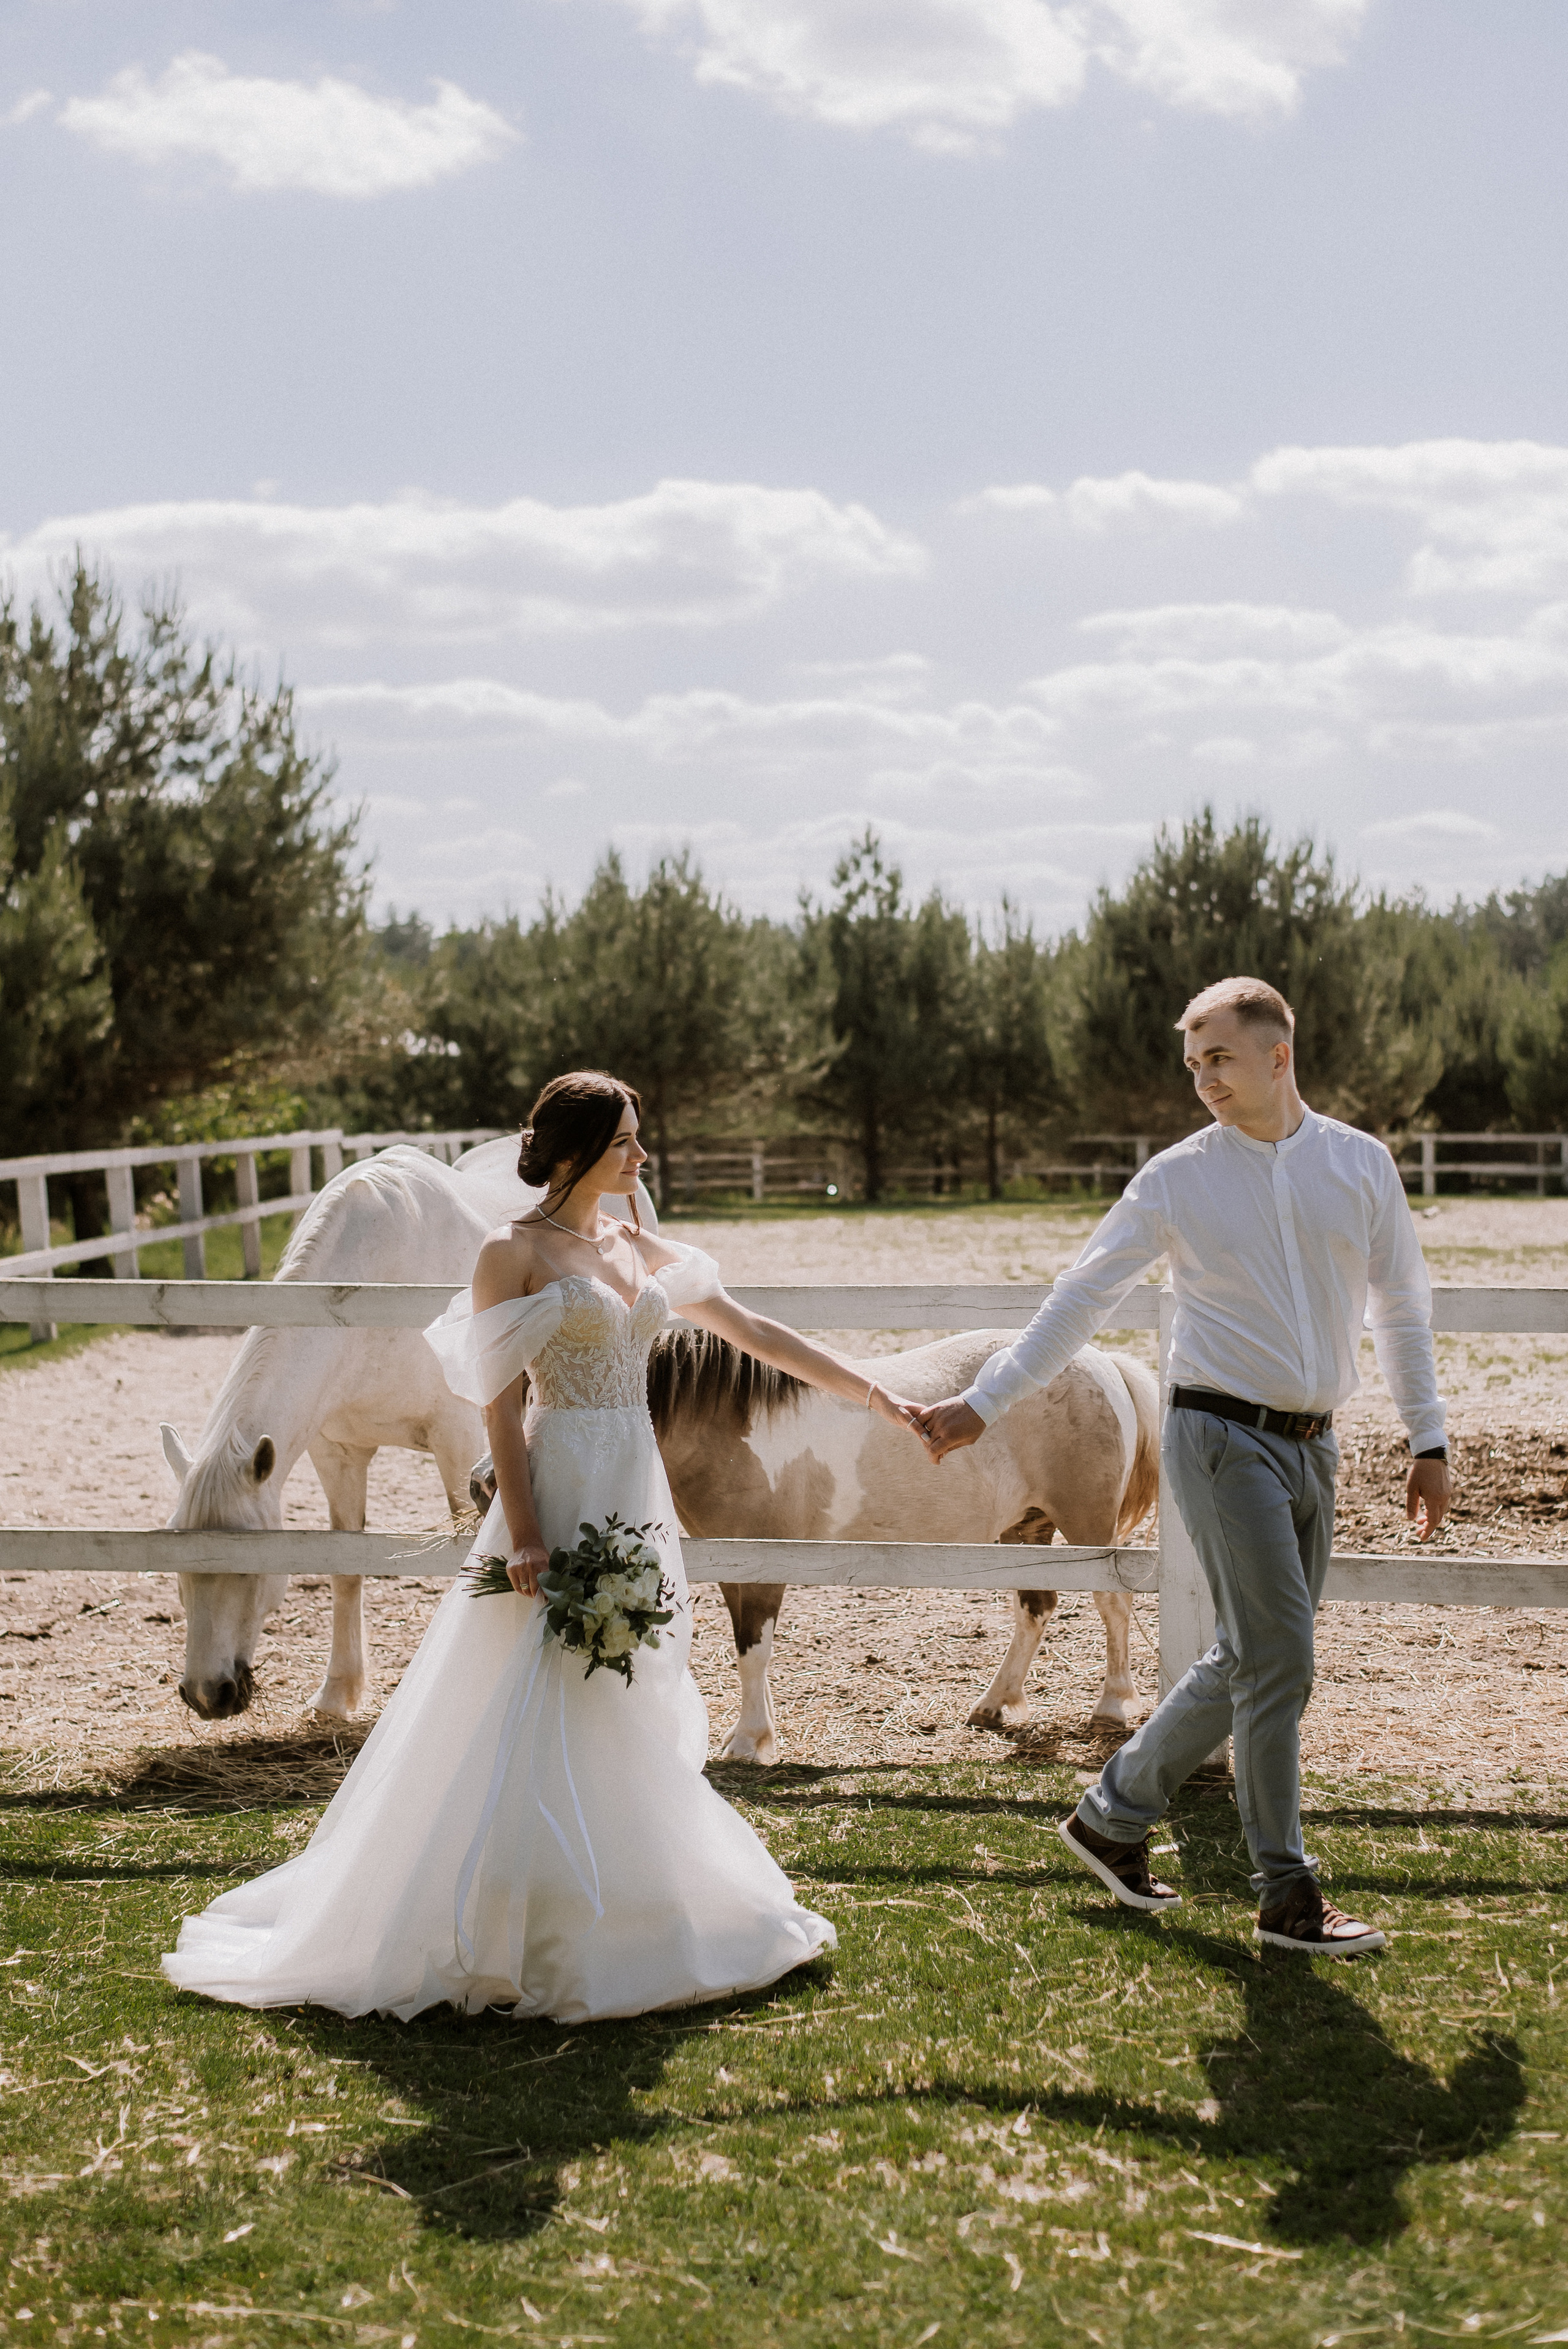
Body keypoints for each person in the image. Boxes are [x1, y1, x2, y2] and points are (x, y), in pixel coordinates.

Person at [163, 1070, 922, 2023]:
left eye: (639, 1138)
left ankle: (618, 1897)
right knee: (530, 1687)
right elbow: (496, 1401)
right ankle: (517, 1919)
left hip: (634, 1488)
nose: (642, 1158)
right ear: (572, 1155)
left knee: (624, 1684)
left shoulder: (633, 1240)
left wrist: (877, 1395)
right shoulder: (509, 1252)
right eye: (625, 1143)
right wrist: (522, 1529)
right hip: (559, 1486)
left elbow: (752, 1329)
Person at [910, 977, 1452, 1957]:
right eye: (1193, 1062)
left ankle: (1111, 1814)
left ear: (1278, 1056)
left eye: (1220, 1058)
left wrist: (1430, 1441)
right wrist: (983, 1402)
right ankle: (1287, 1892)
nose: (1203, 1078)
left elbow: (1402, 1310)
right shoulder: (1175, 1178)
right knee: (1281, 1657)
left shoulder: (1360, 1166)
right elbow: (1080, 1298)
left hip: (1315, 1442)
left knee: (1252, 1653)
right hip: (1215, 1434)